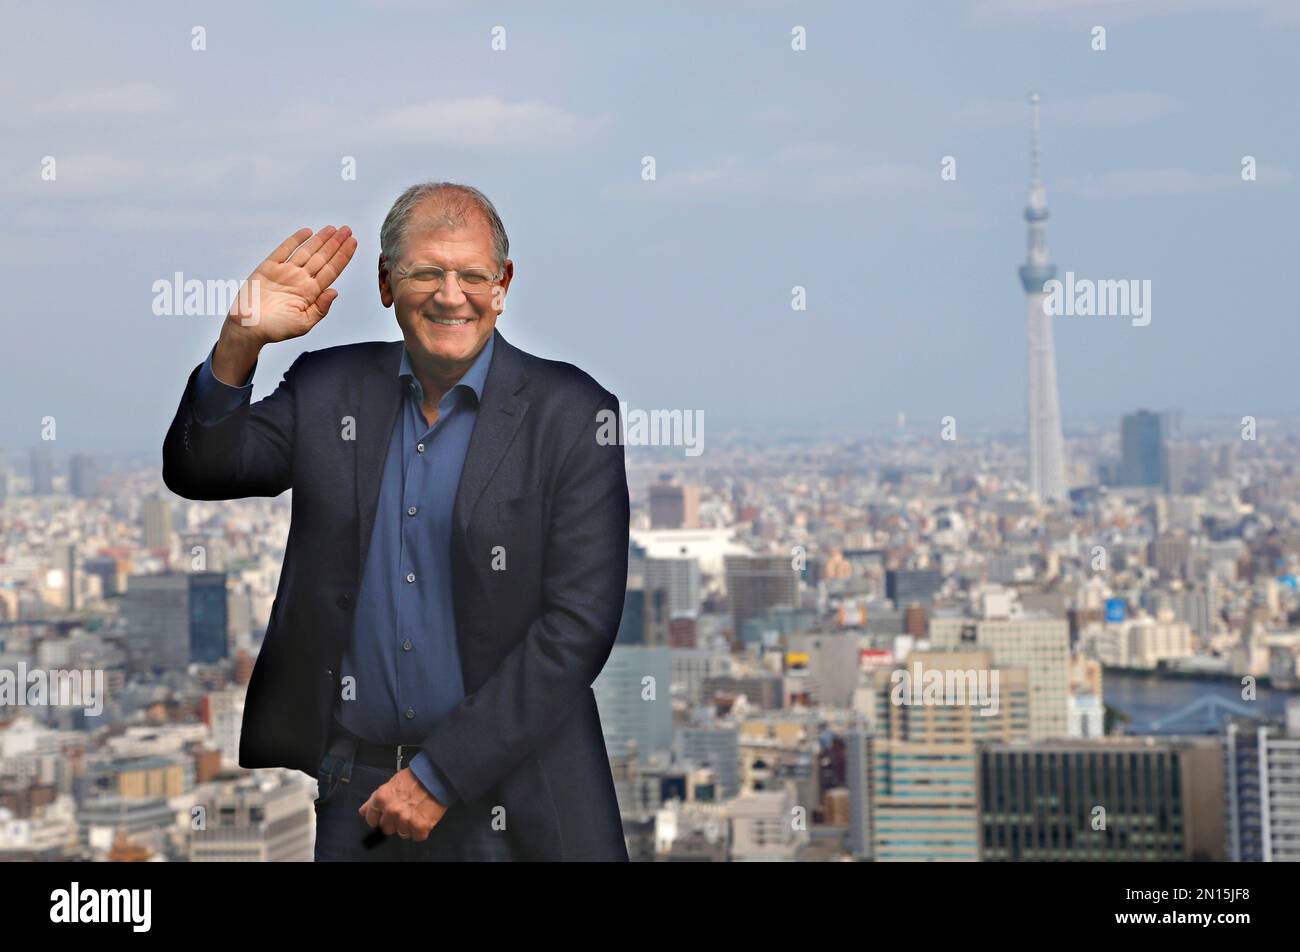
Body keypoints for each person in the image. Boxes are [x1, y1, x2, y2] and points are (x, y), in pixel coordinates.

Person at [162, 182, 630, 861]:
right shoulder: (327, 390)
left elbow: (578, 626)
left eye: (473, 275)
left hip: (521, 800)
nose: (450, 295)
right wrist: (239, 342)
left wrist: (439, 777)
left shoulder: (572, 413)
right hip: (365, 797)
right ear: (385, 283)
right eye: (425, 273)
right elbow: (202, 470)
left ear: (504, 284)